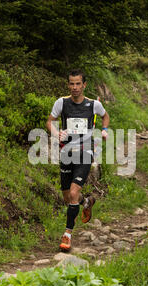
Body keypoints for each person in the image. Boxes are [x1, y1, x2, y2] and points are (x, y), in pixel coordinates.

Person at [46, 69, 110, 252]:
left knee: (73, 193)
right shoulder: (62, 103)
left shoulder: (93, 105)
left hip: (85, 152)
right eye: (71, 84)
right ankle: (86, 202)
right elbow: (49, 121)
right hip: (66, 152)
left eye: (78, 84)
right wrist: (57, 133)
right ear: (68, 85)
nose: (74, 87)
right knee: (68, 197)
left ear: (84, 85)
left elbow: (106, 116)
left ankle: (67, 234)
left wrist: (104, 130)